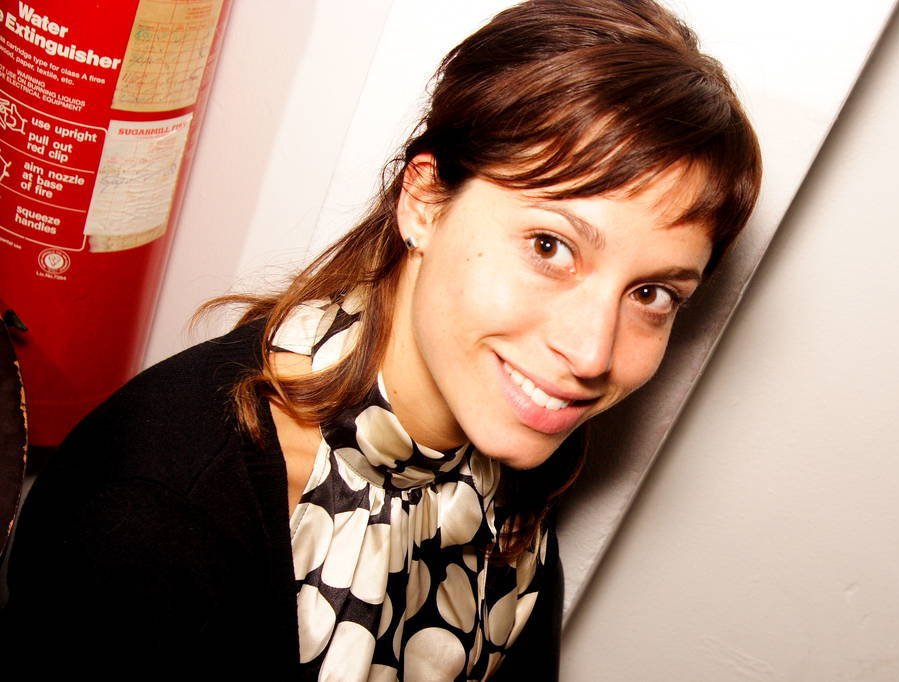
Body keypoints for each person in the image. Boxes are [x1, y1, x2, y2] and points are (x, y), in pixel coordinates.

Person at [2, 0, 760, 679]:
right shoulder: (157, 523)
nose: (591, 354)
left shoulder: (507, 433)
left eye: (653, 294)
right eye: (549, 247)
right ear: (424, 202)